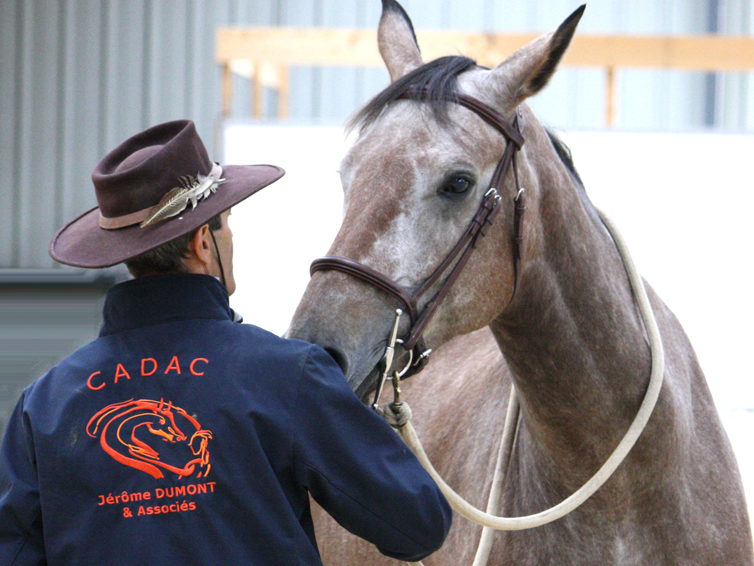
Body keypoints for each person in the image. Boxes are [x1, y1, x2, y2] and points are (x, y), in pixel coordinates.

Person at [0, 120, 451, 565]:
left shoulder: (43, 406)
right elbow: (418, 524)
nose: (230, 237)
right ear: (202, 242)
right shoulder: (288, 376)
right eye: (227, 224)